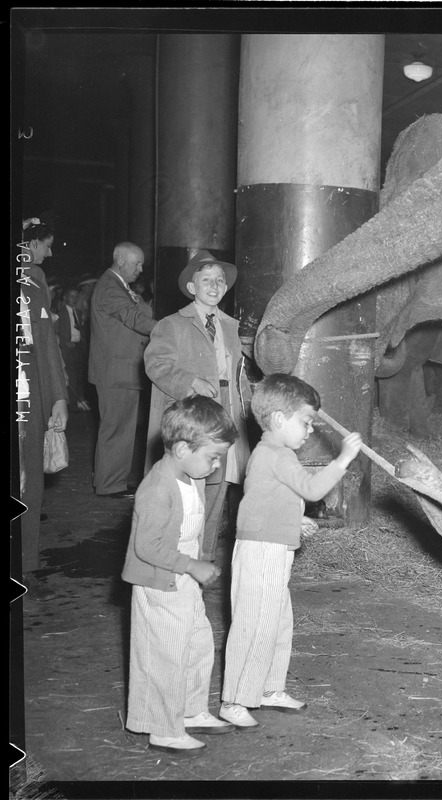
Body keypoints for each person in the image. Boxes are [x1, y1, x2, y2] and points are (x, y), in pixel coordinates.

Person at [219, 374, 362, 729]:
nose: (310, 430)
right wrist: (343, 460)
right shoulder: (277, 455)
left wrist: (293, 523)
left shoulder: (273, 455)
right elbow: (312, 490)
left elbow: (265, 500)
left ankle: (269, 688)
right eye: (306, 422)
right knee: (255, 623)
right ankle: (235, 698)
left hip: (273, 545)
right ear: (280, 420)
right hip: (262, 550)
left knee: (278, 622)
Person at [122, 396, 238, 754]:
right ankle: (163, 728)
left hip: (182, 578)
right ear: (182, 448)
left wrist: (196, 563)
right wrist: (192, 565)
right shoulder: (157, 489)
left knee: (198, 642)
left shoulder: (191, 477)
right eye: (213, 457)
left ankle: (190, 710)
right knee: (166, 654)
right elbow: (147, 547)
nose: (217, 465)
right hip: (160, 580)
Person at [144, 250, 250, 561]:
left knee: (216, 484)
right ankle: (176, 554)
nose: (215, 285)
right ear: (192, 287)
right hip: (192, 420)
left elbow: (240, 370)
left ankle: (203, 554)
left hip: (227, 415)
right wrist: (191, 381)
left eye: (220, 281)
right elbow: (156, 364)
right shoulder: (172, 325)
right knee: (188, 487)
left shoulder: (232, 326)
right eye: (207, 280)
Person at [16, 218, 69, 599]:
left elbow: (47, 344)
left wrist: (59, 398)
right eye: (44, 245)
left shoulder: (34, 281)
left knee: (29, 477)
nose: (48, 254)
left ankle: (24, 562)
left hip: (29, 392)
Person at [88, 242, 156, 498]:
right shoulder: (110, 288)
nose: (140, 268)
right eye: (136, 263)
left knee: (122, 429)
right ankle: (109, 485)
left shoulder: (119, 286)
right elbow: (135, 319)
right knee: (116, 429)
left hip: (121, 370)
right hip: (115, 371)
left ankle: (113, 480)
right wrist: (168, 329)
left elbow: (139, 313)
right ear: (120, 261)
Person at [56, 287, 91, 411]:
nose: (74, 299)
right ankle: (70, 403)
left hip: (77, 348)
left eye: (76, 296)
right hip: (67, 348)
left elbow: (79, 329)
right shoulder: (60, 314)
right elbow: (56, 332)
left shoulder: (78, 312)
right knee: (70, 375)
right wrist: (65, 342)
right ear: (65, 298)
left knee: (79, 374)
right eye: (71, 296)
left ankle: (77, 400)